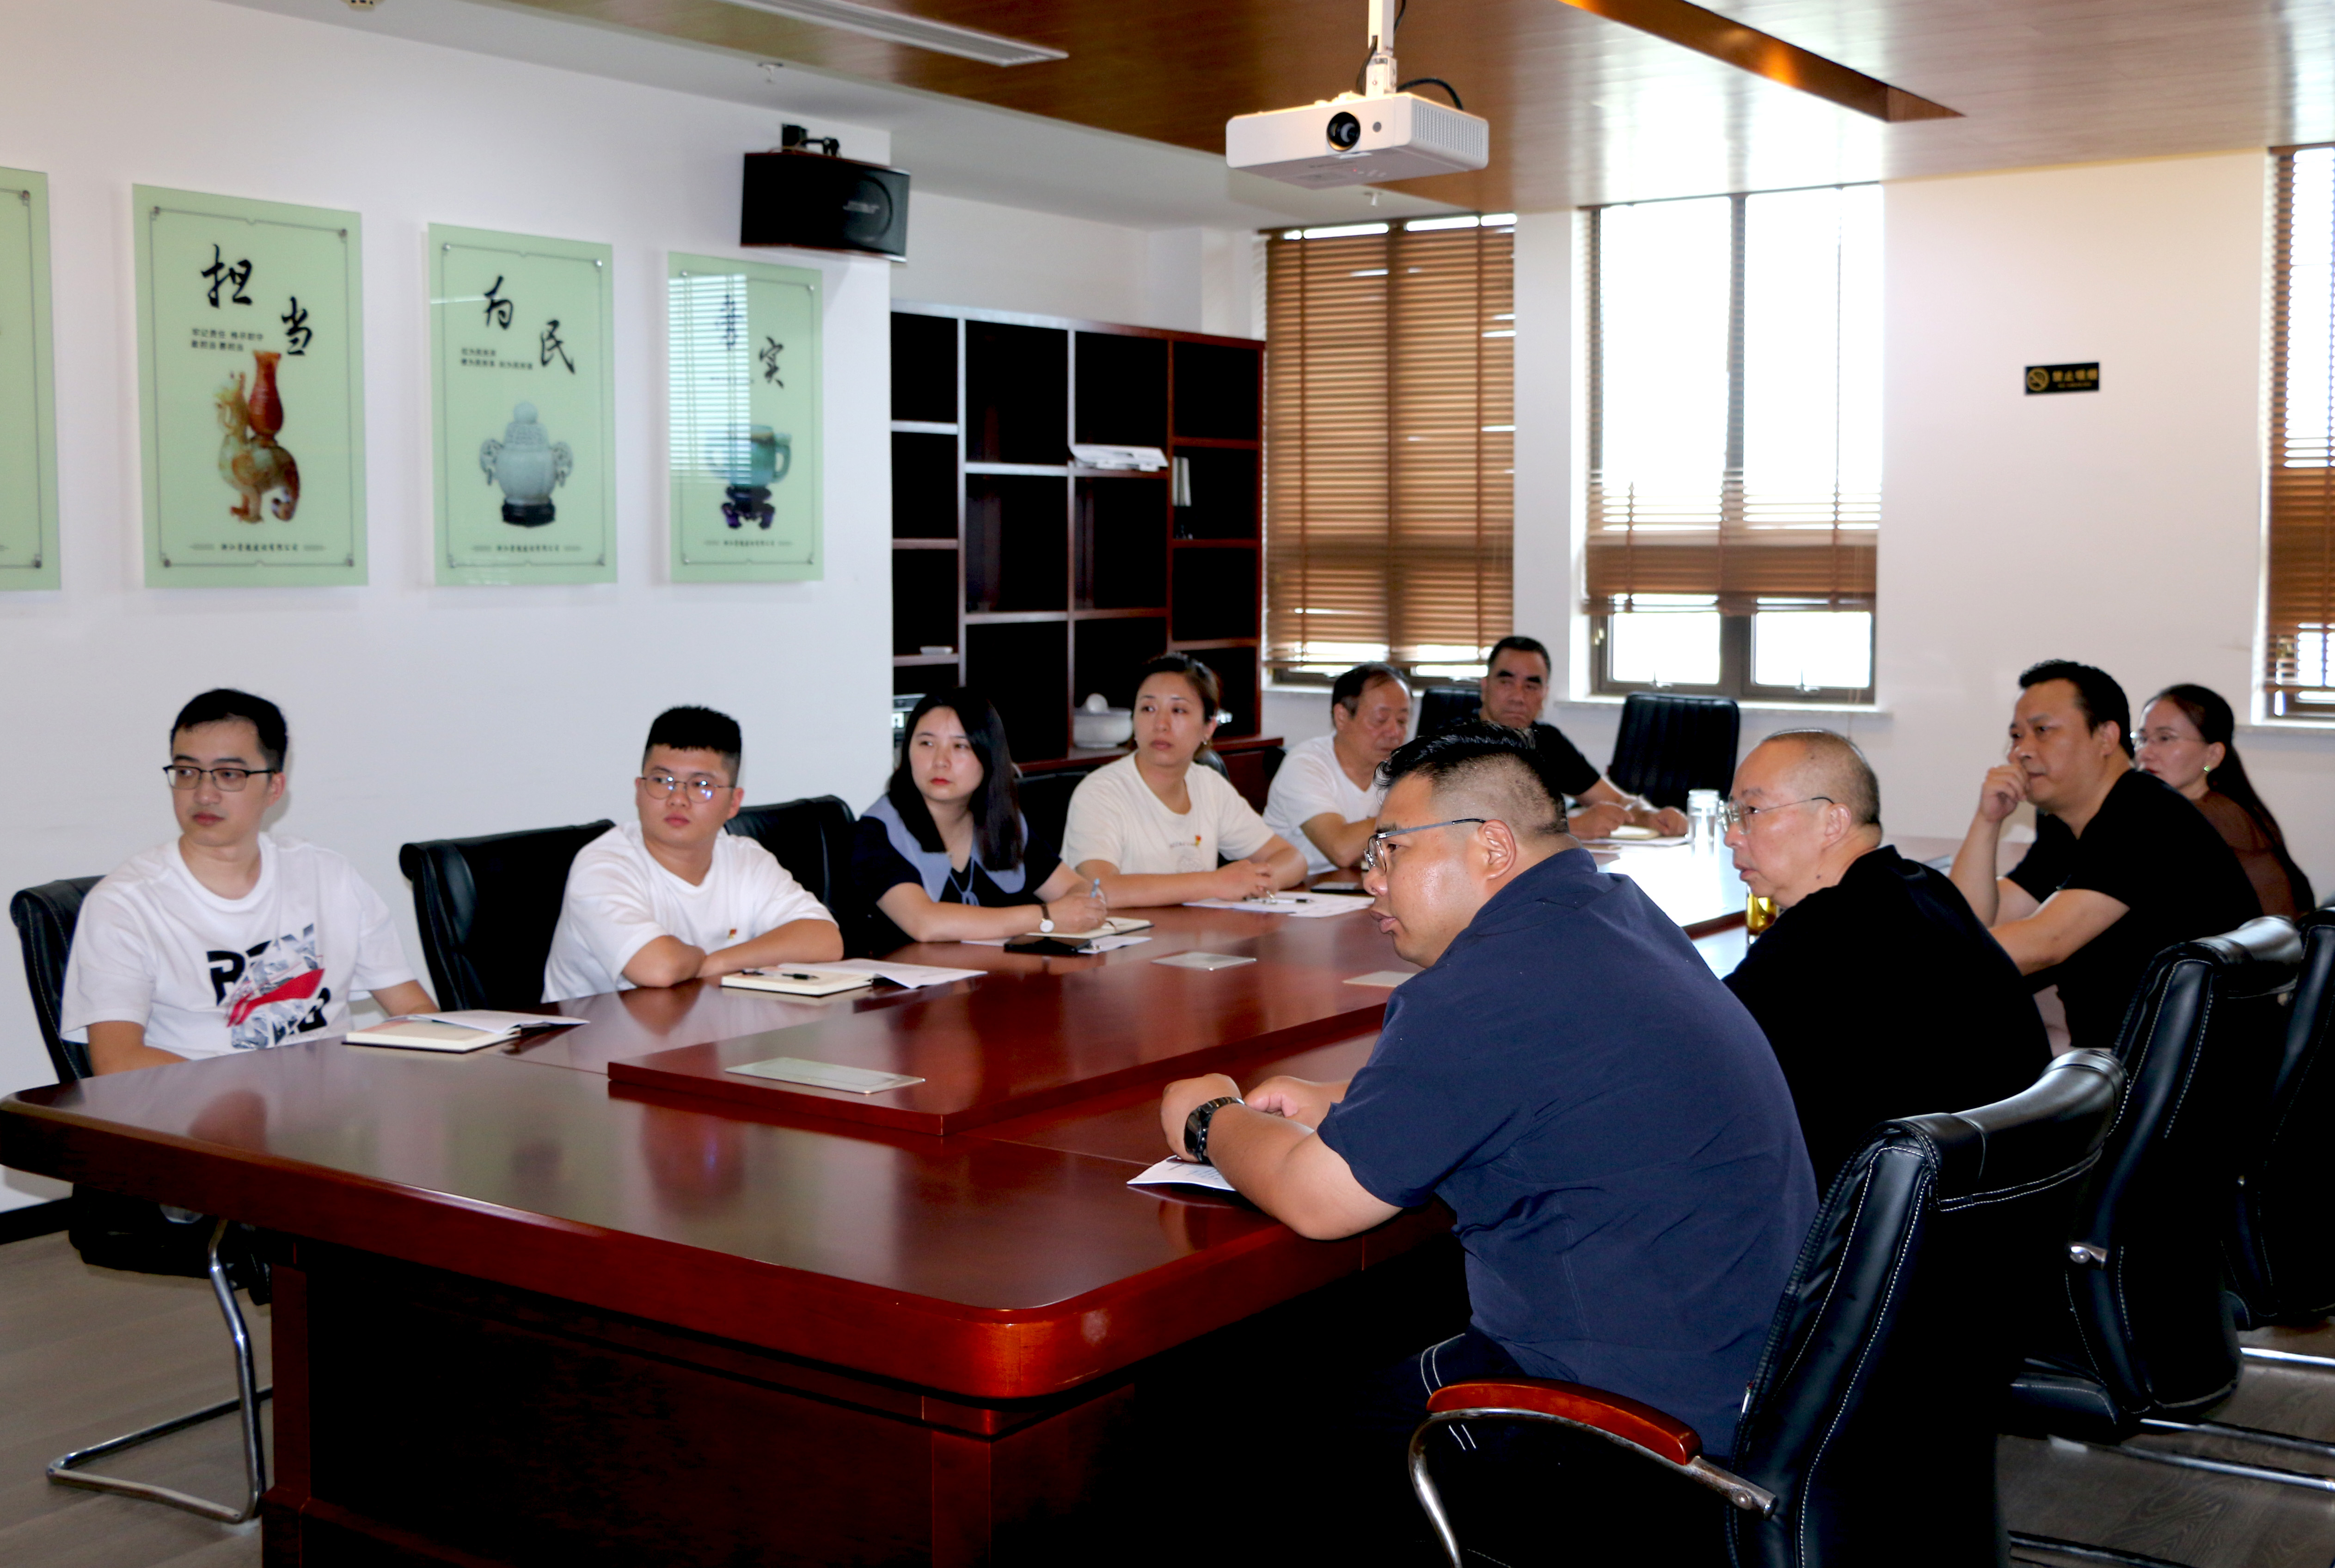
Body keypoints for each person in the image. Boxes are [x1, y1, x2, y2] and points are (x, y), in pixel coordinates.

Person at [1158, 723, 1814, 1552]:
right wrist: (1348, 1100)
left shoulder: (1488, 981)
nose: (1370, 878)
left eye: (1392, 849)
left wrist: (1209, 1118)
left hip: (1623, 1429)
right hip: (1751, 1386)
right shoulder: (1611, 912)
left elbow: (1318, 1200)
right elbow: (1540, 1077)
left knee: (1243, 1457)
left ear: (1491, 847)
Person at [1722, 731, 2049, 1188]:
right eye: (1732, 813)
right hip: (2013, 1187)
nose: (1731, 836)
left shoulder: (1820, 934)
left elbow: (1697, 1053)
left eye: (1752, 811)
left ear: (1832, 823)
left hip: (1916, 1211)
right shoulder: (1924, 888)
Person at [61, 688, 435, 1074]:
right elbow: (118, 1062)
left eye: (228, 775)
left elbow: (413, 1009)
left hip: (335, 1105)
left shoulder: (328, 876)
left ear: (274, 788)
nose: (204, 795)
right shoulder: (124, 905)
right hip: (196, 1109)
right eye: (187, 772)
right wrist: (261, 1093)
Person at [1949, 661, 2259, 1054]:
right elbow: (1970, 920)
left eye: (2042, 731)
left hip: (2184, 1068)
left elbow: (2045, 942)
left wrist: (1918, 961)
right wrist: (1987, 820)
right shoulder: (2067, 823)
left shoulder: (2143, 815)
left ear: (2106, 737)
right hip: (2120, 1056)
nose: (2020, 751)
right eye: (2015, 735)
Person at [542, 705, 841, 1002]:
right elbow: (658, 968)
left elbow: (824, 939)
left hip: (705, 1026)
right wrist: (717, 962)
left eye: (701, 785)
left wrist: (712, 963)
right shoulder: (603, 867)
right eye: (662, 781)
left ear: (734, 803)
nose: (677, 799)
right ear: (638, 790)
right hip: (599, 1032)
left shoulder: (746, 859)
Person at [853, 688, 1109, 950]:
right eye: (927, 744)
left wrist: (1083, 905)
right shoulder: (878, 831)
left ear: (990, 757)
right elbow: (925, 924)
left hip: (997, 972)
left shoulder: (999, 821)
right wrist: (1046, 917)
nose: (941, 761)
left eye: (960, 746)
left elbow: (1076, 886)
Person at [1060, 654, 1307, 909]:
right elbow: (1100, 889)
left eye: (1178, 710)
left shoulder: (1210, 786)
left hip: (1197, 929)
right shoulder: (1100, 792)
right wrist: (1216, 883)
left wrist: (1257, 881)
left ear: (1208, 728)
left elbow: (1292, 859)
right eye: (1148, 709)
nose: (1161, 724)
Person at [1456, 635, 1689, 839]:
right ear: (1485, 687)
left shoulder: (1547, 740)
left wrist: (1651, 816)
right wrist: (1570, 828)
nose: (1518, 697)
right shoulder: (1456, 742)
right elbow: (1463, 825)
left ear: (1544, 694)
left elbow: (1616, 801)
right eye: (1506, 683)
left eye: (1531, 686)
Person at [2136, 683, 2315, 919]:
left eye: (2165, 738)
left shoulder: (2209, 819)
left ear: (2213, 755)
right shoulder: (2214, 807)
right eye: (2143, 739)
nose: (2145, 753)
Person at [1262, 662, 1410, 876]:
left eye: (1402, 721)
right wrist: (1408, 815)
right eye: (1381, 720)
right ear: (1342, 717)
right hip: (1300, 888)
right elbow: (1341, 850)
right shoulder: (1304, 765)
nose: (1394, 732)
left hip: (1357, 884)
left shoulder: (1401, 769)